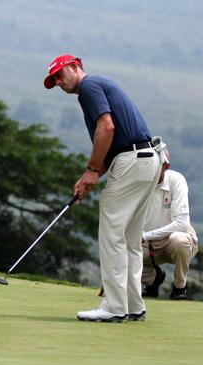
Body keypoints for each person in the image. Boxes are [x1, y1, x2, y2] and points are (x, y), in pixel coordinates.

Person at [44, 54, 161, 323]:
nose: (59, 83)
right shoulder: (98, 86)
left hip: (132, 161)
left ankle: (113, 307)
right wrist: (89, 177)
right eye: (54, 81)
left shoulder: (89, 86)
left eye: (61, 75)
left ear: (76, 67)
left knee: (112, 235)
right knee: (131, 239)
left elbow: (106, 128)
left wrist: (92, 171)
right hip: (147, 160)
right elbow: (110, 147)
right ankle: (133, 305)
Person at [141, 141, 198, 300]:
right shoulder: (139, 183)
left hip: (177, 241)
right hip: (149, 245)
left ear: (165, 167)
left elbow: (182, 224)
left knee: (178, 240)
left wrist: (146, 236)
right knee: (121, 253)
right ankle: (152, 279)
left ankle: (180, 286)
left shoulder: (176, 179)